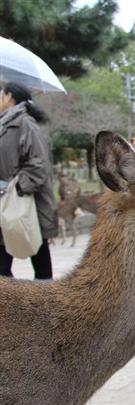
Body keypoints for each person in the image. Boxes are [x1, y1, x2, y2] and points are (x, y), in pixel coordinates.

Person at [0, 82, 58, 279]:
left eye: (1, 95)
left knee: (39, 257)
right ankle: (13, 304)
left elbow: (39, 164)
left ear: (9, 97)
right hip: (6, 202)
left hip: (25, 203)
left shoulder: (26, 123)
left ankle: (46, 305)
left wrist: (15, 187)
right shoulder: (4, 124)